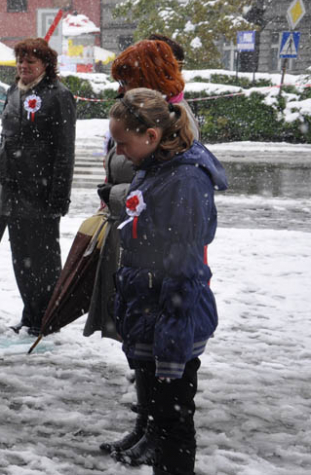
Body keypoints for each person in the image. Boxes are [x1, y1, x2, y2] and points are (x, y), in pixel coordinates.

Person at [104, 87, 227, 475]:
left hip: (171, 320)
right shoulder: (156, 168)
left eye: (123, 143)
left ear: (152, 137)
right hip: (151, 312)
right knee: (160, 417)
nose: (119, 151)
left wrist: (171, 347)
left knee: (173, 424)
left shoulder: (184, 181)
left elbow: (185, 268)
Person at [95, 38, 197, 466]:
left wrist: (117, 194)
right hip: (136, 243)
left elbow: (158, 189)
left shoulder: (172, 121)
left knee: (164, 356)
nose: (120, 87)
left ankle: (158, 431)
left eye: (128, 79)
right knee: (138, 340)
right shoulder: (137, 113)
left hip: (163, 259)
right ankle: (146, 425)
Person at [0, 37, 76, 336]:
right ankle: (30, 313)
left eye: (30, 61)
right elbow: (5, 137)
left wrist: (58, 196)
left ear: (45, 64)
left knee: (44, 261)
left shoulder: (58, 95)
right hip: (13, 191)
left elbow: (65, 150)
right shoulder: (14, 91)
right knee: (22, 258)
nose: (23, 66)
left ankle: (47, 318)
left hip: (40, 193)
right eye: (20, 60)